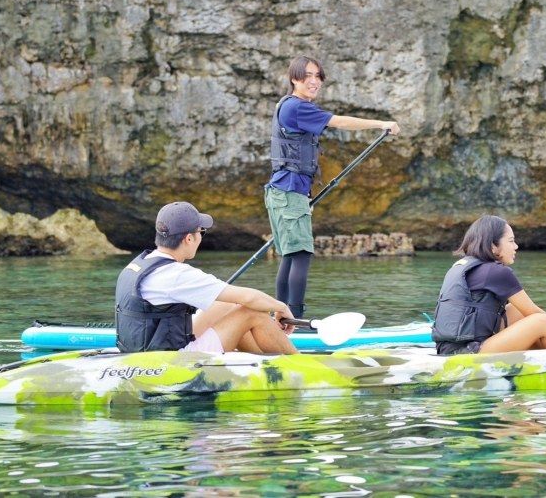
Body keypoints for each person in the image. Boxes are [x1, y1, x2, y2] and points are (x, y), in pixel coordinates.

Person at [264, 55, 401, 318]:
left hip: (283, 191)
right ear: (295, 79)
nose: (314, 81)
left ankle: (279, 317)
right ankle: (294, 319)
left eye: (318, 76)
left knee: (290, 257)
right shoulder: (296, 107)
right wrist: (381, 124)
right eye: (308, 76)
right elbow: (339, 122)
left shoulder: (290, 106)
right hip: (288, 192)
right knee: (300, 254)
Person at [115, 201, 298, 355]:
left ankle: (259, 358)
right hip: (173, 361)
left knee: (227, 304)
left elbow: (235, 298)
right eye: (201, 232)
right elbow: (249, 298)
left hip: (142, 348)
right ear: (189, 238)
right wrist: (281, 307)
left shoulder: (140, 263)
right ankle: (297, 363)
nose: (201, 238)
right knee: (252, 312)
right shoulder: (176, 275)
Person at [432, 215, 546, 354]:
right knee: (539, 321)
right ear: (493, 246)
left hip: (448, 348)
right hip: (467, 353)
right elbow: (534, 313)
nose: (516, 246)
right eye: (511, 241)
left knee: (517, 311)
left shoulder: (463, 266)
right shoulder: (497, 272)